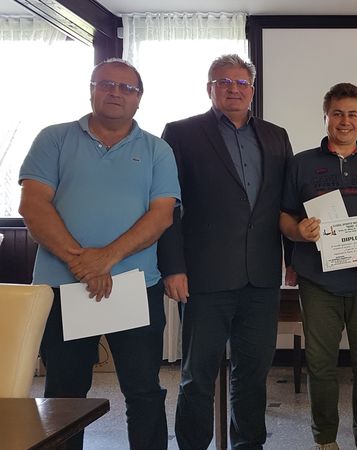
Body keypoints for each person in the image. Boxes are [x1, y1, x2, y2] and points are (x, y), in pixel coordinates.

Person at [18, 58, 179, 450]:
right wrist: (84, 264)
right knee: (64, 394)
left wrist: (105, 259)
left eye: (127, 88)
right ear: (91, 90)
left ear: (139, 99)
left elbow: (161, 216)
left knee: (143, 390)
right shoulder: (53, 139)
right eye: (106, 84)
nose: (116, 93)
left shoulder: (157, 149)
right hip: (64, 288)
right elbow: (33, 206)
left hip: (135, 287)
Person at [157, 54, 293, 449]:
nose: (233, 88)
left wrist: (293, 260)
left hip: (261, 278)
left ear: (252, 90)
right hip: (204, 278)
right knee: (197, 377)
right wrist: (173, 266)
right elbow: (169, 206)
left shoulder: (276, 136)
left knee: (252, 375)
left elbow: (286, 203)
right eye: (223, 81)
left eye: (241, 82)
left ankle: (249, 444)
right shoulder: (181, 133)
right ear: (209, 88)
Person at [279, 82, 357, 450]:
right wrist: (297, 231)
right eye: (338, 113)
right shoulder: (301, 163)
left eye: (353, 114)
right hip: (318, 281)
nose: (345, 121)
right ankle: (325, 439)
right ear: (326, 117)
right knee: (320, 364)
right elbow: (283, 215)